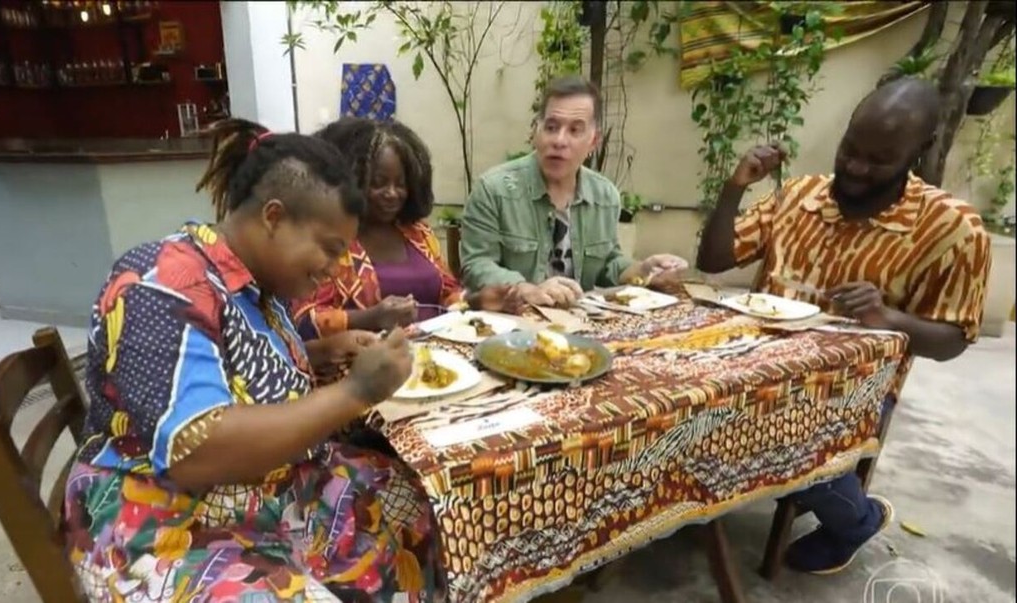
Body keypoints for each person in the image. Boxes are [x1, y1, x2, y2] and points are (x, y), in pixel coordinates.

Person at [62, 119, 446, 601]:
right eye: (329, 250)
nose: (333, 268)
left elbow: (226, 370)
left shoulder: (256, 286)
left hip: (269, 497)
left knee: (421, 507)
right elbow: (195, 451)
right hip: (164, 526)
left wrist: (315, 352)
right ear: (273, 217)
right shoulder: (160, 284)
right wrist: (354, 392)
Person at [696, 77, 992, 574]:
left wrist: (887, 317)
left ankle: (858, 519)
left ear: (919, 152)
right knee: (671, 408)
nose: (855, 168)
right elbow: (713, 258)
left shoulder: (952, 228)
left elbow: (954, 340)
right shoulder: (800, 196)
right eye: (850, 150)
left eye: (878, 161)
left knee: (776, 435)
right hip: (750, 362)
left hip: (855, 389)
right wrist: (735, 185)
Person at [459, 75, 688, 307]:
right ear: (536, 132)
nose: (559, 140)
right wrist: (526, 290)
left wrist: (644, 269)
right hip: (513, 322)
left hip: (580, 321)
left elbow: (608, 264)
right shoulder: (493, 190)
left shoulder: (605, 196)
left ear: (593, 141)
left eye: (574, 130)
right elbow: (477, 265)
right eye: (551, 127)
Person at [293, 117, 520, 340]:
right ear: (351, 182)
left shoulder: (418, 233)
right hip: (366, 365)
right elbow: (302, 322)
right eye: (378, 182)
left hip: (441, 359)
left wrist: (476, 300)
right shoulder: (332, 243)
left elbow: (445, 296)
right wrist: (370, 317)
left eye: (400, 184)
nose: (392, 193)